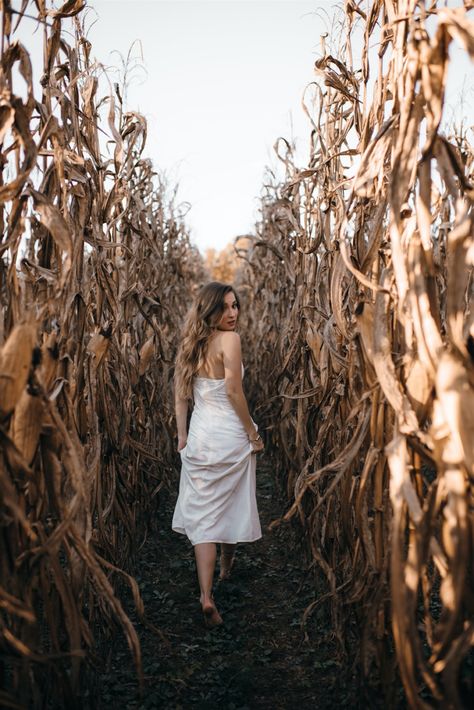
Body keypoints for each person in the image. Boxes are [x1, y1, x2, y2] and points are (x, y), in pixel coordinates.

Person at [172, 281, 264, 628]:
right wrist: (252, 433)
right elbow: (233, 389)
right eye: (225, 307)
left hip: (201, 435)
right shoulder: (231, 341)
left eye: (235, 306)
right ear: (210, 309)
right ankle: (227, 569)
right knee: (234, 501)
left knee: (205, 515)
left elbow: (181, 393)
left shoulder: (190, 344)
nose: (233, 313)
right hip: (229, 434)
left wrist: (182, 435)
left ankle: (206, 594)